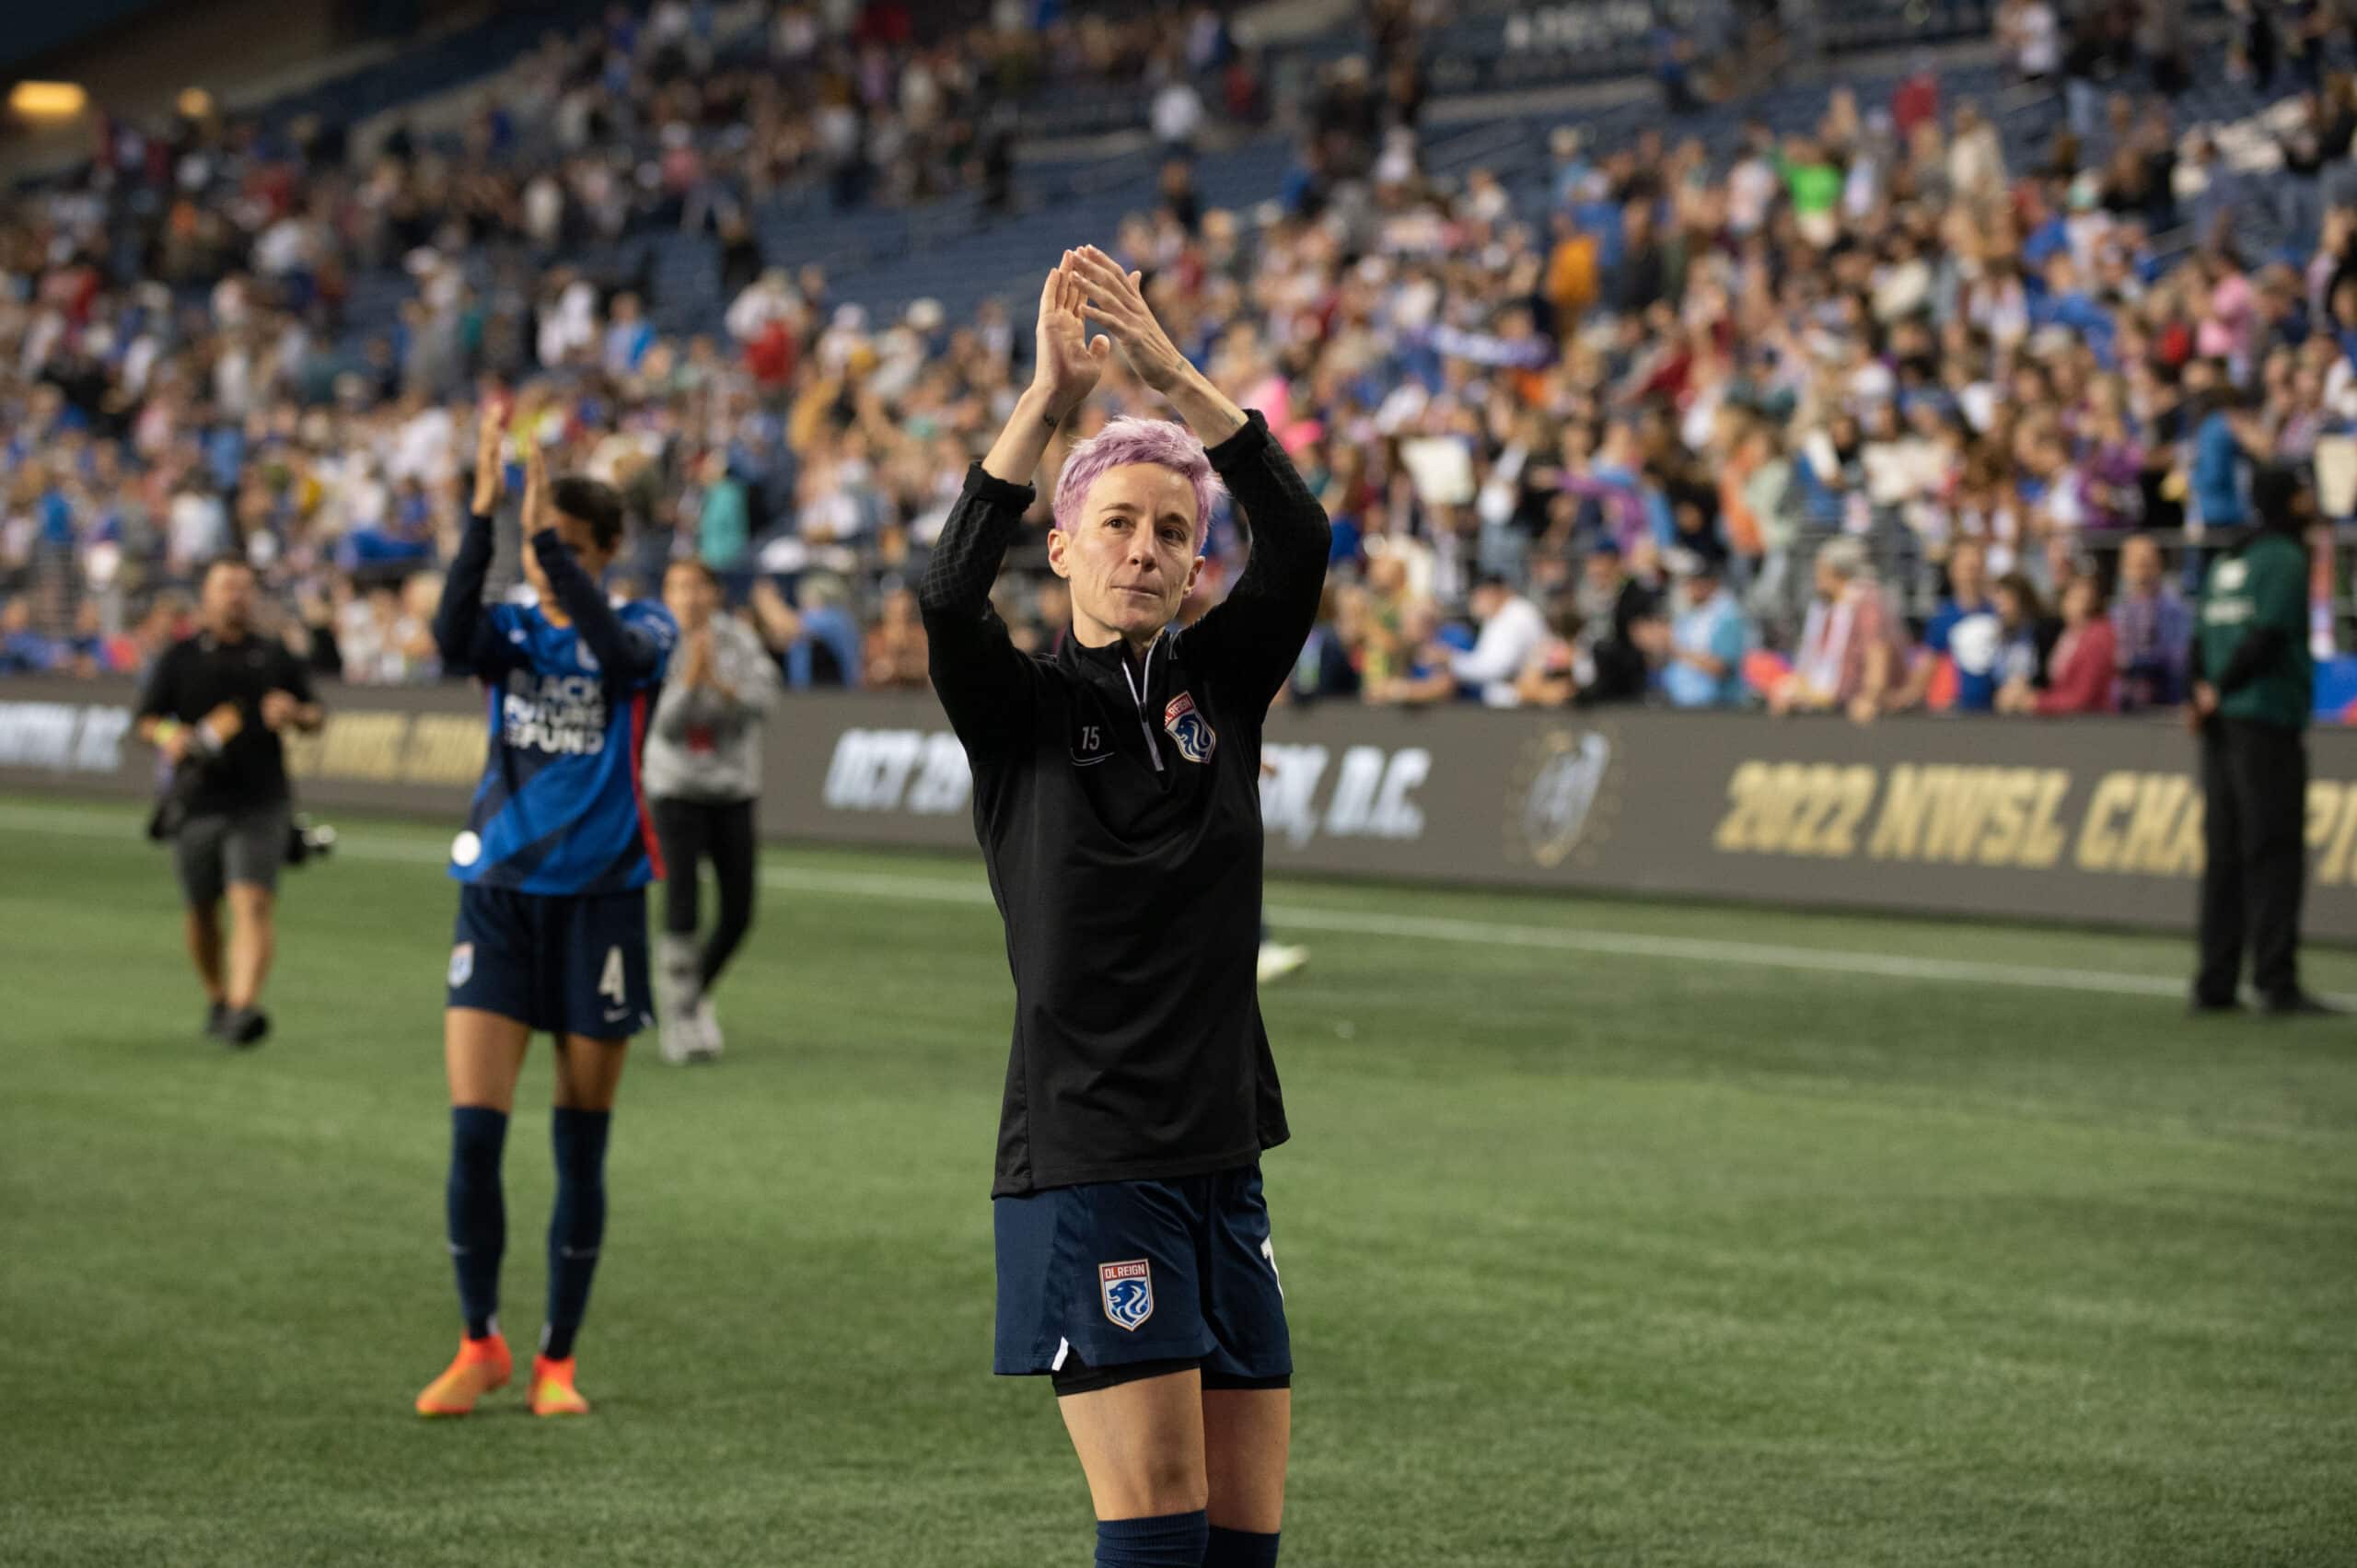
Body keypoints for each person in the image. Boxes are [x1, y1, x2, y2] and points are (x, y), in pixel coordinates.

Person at [918, 247, 1329, 1568]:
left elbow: (1304, 536)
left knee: (1241, 1543)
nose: (1147, 549)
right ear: (1063, 546)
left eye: (1172, 531)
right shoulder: (1022, 713)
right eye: (1119, 524)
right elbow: (942, 591)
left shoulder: (1221, 685)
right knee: (1158, 1528)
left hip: (1223, 1150)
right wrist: (1047, 402)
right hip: (1093, 1155)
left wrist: (1169, 378)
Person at [414, 402, 679, 1420]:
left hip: (602, 903)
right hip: (497, 900)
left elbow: (615, 656)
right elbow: (447, 633)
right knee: (475, 1136)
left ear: (606, 551)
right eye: (543, 549)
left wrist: (539, 541)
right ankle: (479, 1337)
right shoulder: (510, 631)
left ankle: (555, 1359)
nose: (545, 565)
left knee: (580, 1144)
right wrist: (487, 513)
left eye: (567, 548)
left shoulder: (645, 627)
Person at [134, 555, 325, 1046]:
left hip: (261, 797)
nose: (235, 595)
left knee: (253, 900)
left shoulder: (275, 654)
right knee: (201, 909)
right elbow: (146, 720)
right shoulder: (181, 656)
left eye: (243, 587)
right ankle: (219, 995)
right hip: (197, 799)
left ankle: (243, 1007)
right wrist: (173, 736)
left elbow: (316, 714)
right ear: (207, 594)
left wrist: (296, 714)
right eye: (226, 587)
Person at [2189, 465, 2335, 1016]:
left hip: (2218, 724)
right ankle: (2275, 980)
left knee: (2223, 853)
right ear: (2292, 501)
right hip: (2265, 719)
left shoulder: (2229, 558)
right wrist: (2224, 689)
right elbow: (2268, 637)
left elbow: (2200, 640)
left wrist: (2201, 693)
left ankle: (2215, 981)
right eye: (2306, 492)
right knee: (2272, 850)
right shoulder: (2284, 560)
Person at [645, 557, 779, 1065]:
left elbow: (766, 699)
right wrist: (689, 685)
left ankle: (690, 995)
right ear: (666, 593)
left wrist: (726, 692)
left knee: (739, 911)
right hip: (675, 787)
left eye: (698, 587)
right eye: (678, 587)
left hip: (730, 789)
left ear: (714, 594)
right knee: (682, 904)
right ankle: (681, 1021)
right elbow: (664, 725)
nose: (689, 597)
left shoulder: (739, 639)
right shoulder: (653, 640)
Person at [2003, 575, 2117, 714]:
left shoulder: (2098, 636)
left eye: (2081, 598)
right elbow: (2058, 686)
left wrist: (2037, 702)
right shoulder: (2068, 634)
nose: (2070, 603)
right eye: (2071, 596)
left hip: (2092, 723)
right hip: (2064, 720)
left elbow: (2082, 697)